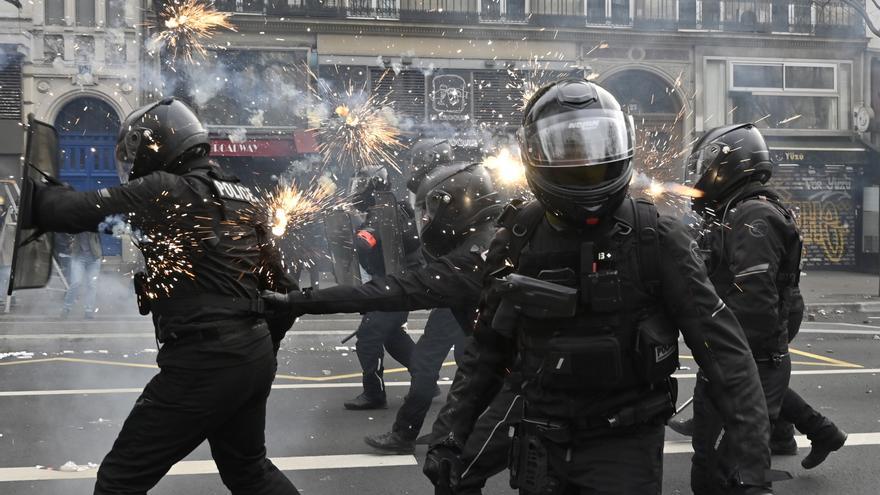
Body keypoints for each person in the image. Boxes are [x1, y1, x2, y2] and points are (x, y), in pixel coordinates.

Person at [421, 80, 773, 494]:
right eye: (569, 151)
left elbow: (726, 356)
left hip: (624, 449)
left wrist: (752, 470)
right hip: (542, 445)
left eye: (594, 149)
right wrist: (450, 433)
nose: (585, 164)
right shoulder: (519, 234)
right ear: (537, 153)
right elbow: (487, 349)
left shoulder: (656, 236)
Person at [26, 98, 300, 495]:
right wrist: (254, 350)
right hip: (251, 354)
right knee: (249, 472)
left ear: (155, 146)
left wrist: (31, 193)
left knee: (120, 479)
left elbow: (77, 210)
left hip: (203, 361)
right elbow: (283, 291)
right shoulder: (244, 198)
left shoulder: (166, 190)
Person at [264, 160, 503, 454]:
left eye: (431, 211)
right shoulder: (505, 235)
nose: (426, 219)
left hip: (522, 378)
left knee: (451, 455)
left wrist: (297, 301)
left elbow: (384, 285)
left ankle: (419, 431)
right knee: (465, 371)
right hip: (511, 363)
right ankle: (447, 430)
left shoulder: (465, 263)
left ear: (454, 209)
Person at [672, 123, 846, 482]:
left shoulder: (754, 216)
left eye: (708, 163)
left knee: (728, 468)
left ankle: (801, 434)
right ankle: (816, 432)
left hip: (748, 356)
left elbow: (752, 304)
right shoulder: (736, 210)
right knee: (708, 463)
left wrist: (717, 348)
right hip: (738, 354)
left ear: (732, 164)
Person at [343, 165, 422, 410]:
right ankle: (425, 378)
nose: (356, 189)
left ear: (374, 185)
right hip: (396, 283)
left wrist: (354, 227)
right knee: (392, 335)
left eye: (361, 184)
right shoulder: (390, 207)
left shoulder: (383, 212)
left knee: (368, 337)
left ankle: (374, 394)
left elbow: (366, 242)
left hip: (397, 285)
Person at [61, 231, 103, 319]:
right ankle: (66, 308)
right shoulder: (77, 223)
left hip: (94, 258)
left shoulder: (94, 223)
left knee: (92, 284)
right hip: (78, 257)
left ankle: (88, 311)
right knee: (76, 282)